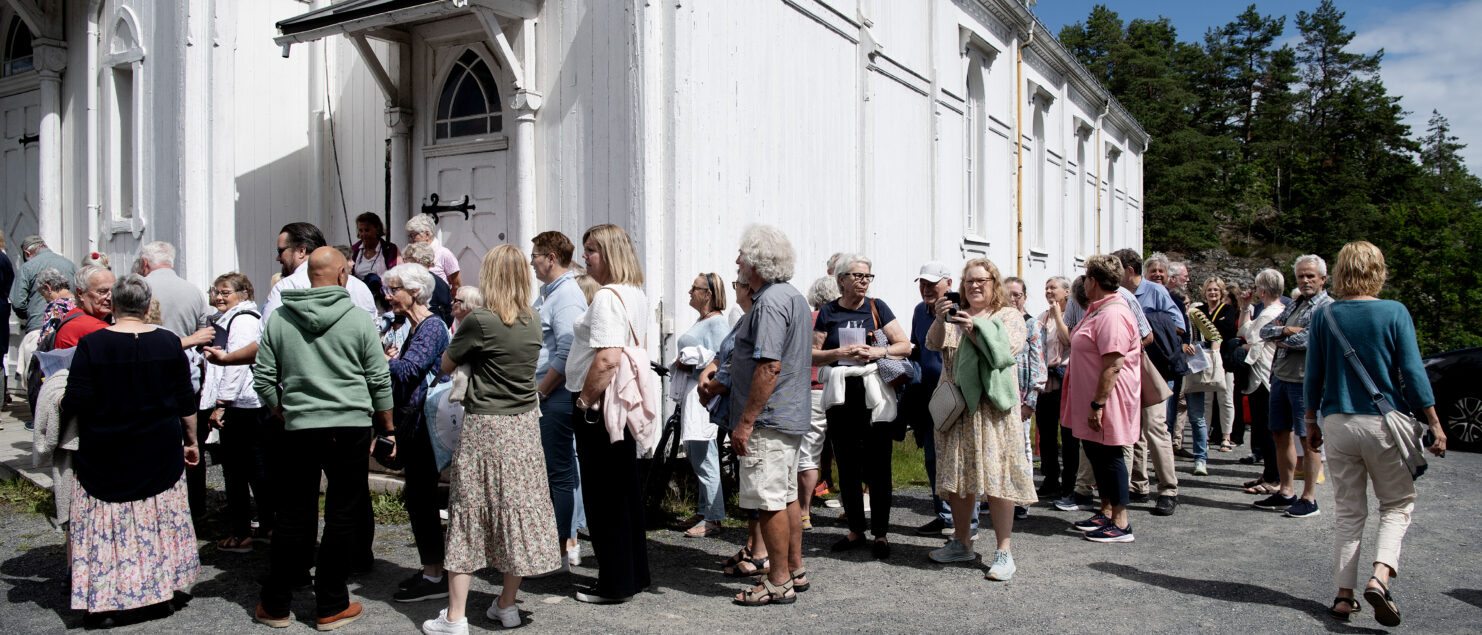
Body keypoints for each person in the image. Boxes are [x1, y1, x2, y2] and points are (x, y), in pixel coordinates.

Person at [1303, 241, 1446, 625]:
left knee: (1349, 512)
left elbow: (1313, 374)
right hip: (1382, 423)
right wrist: (1433, 422)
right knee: (1397, 504)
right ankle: (1380, 577)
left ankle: (1343, 596)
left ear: (1339, 272)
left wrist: (1311, 422)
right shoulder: (1394, 312)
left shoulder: (1325, 315)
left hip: (1337, 422)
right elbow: (1414, 374)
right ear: (1378, 271)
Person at [251, 247, 394, 630]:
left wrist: (282, 409)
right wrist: (388, 426)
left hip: (299, 427)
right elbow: (379, 378)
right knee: (342, 514)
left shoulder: (280, 318)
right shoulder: (357, 319)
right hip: (349, 425)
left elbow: (263, 377)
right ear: (343, 274)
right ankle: (331, 605)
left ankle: (276, 605)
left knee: (293, 514)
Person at [422, 245, 559, 633]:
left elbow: (448, 364)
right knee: (516, 510)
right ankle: (506, 604)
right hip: (524, 427)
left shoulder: (480, 320)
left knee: (469, 512)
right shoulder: (533, 319)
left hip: (486, 426)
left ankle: (455, 618)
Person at [62, 273, 200, 627]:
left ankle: (107, 599)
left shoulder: (93, 345)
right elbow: (185, 401)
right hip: (157, 447)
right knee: (153, 522)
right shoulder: (169, 343)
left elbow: (77, 399)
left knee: (109, 525)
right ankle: (156, 594)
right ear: (145, 303)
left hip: (105, 449)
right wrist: (192, 440)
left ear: (116, 303)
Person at [713, 224, 812, 605]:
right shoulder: (793, 297)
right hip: (788, 416)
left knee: (769, 501)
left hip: (769, 420)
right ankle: (793, 570)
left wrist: (746, 421)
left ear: (756, 262)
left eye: (741, 255)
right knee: (785, 497)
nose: (737, 261)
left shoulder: (769, 303)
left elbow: (769, 365)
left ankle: (778, 581)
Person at [926, 259, 1035, 579]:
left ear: (994, 283)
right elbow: (933, 344)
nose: (975, 286)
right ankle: (962, 542)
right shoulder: (956, 315)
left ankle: (1004, 551)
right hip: (958, 411)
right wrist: (940, 318)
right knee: (959, 481)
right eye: (969, 281)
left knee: (999, 480)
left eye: (982, 280)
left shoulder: (1008, 316)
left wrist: (974, 330)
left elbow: (1005, 352)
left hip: (993, 413)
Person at [567, 224, 653, 604]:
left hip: (602, 408)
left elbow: (607, 357)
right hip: (622, 407)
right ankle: (633, 575)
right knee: (624, 492)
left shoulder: (605, 297)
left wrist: (583, 403)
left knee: (604, 498)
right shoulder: (636, 294)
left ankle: (614, 583)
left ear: (611, 254)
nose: (585, 257)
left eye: (591, 250)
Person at [814, 253, 911, 559]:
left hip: (875, 396)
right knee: (847, 464)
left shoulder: (877, 307)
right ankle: (855, 529)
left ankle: (881, 533)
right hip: (842, 396)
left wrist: (875, 352)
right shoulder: (828, 312)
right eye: (857, 276)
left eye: (867, 277)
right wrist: (838, 353)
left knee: (879, 466)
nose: (863, 282)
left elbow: (904, 346)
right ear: (840, 279)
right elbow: (811, 354)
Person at [381, 263, 453, 604]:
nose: (388, 295)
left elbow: (409, 370)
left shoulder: (431, 327)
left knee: (421, 499)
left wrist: (384, 361)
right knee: (417, 498)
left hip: (425, 423)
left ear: (415, 291)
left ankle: (436, 575)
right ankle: (431, 570)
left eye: (395, 289)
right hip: (415, 421)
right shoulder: (413, 326)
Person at [1063, 255, 1143, 543]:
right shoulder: (1099, 309)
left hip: (1107, 399)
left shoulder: (1113, 313)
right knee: (1097, 453)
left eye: (1086, 277)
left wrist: (1098, 404)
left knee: (1110, 456)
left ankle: (1121, 523)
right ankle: (1106, 511)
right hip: (1091, 397)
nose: (1084, 282)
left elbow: (1113, 363)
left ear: (1093, 281)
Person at [1254, 254, 1334, 517]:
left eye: (1310, 276)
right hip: (1280, 377)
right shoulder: (1296, 304)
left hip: (1305, 382)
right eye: (1301, 276)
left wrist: (1284, 333)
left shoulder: (1326, 308)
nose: (1306, 280)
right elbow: (1264, 332)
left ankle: (1309, 498)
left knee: (1308, 439)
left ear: (1323, 278)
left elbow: (1308, 341)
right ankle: (1286, 491)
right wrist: (1288, 331)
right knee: (1280, 434)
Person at [200, 273, 272, 554]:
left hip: (242, 405)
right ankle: (263, 525)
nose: (218, 296)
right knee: (251, 469)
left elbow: (238, 363)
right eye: (215, 291)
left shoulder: (242, 319)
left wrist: (222, 402)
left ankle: (243, 532)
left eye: (225, 291)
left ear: (243, 293)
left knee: (239, 471)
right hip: (242, 404)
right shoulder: (232, 318)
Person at [530, 230, 588, 569]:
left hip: (553, 397)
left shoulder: (566, 296)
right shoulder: (550, 294)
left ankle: (564, 547)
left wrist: (542, 391)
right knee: (552, 472)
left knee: (559, 473)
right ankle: (558, 542)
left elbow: (568, 351)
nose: (532, 261)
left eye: (536, 255)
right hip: (547, 395)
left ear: (551, 258)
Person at [1111, 248, 1181, 517]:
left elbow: (1177, 325)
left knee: (1155, 427)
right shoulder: (1118, 293)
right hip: (1128, 371)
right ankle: (1139, 484)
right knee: (1133, 429)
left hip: (1153, 368)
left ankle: (1168, 490)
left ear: (1128, 270)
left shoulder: (1155, 291)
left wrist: (1141, 327)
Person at [908, 262, 972, 536]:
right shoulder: (919, 312)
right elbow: (916, 348)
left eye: (932, 284)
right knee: (933, 459)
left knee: (958, 459)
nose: (926, 289)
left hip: (957, 395)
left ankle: (968, 523)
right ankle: (944, 515)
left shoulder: (962, 309)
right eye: (922, 284)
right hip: (929, 396)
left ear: (948, 283)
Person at [675, 272, 731, 538]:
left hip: (702, 397)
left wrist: (693, 361)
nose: (689, 292)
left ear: (708, 294)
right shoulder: (703, 320)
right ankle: (704, 510)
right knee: (697, 454)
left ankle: (713, 517)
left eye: (694, 288)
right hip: (692, 394)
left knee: (705, 454)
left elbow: (722, 357)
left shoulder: (717, 322)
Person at [1238, 269, 1286, 494]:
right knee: (1261, 427)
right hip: (1263, 376)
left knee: (1267, 429)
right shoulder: (1267, 311)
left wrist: (1242, 355)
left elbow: (1250, 340)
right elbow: (1245, 329)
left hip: (1263, 377)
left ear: (1263, 290)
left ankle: (1274, 477)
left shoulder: (1270, 313)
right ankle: (1269, 473)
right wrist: (1246, 307)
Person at [799, 275, 840, 529]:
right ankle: (850, 508)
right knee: (844, 449)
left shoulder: (807, 321)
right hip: (838, 387)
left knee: (809, 451)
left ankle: (803, 512)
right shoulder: (838, 320)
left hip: (812, 388)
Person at [1003, 276, 1045, 520]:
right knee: (1002, 448)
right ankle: (1001, 496)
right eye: (1008, 294)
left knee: (1022, 448)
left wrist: (1031, 400)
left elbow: (1038, 363)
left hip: (1021, 396)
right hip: (1001, 395)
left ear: (1024, 297)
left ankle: (1023, 498)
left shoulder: (1032, 324)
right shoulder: (1001, 322)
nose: (1012, 299)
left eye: (1016, 294)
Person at [1035, 277, 1075, 499]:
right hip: (1046, 379)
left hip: (1065, 377)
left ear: (1067, 292)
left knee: (1068, 434)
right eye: (1046, 287)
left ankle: (1070, 482)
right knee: (1047, 433)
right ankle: (1051, 479)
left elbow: (1067, 340)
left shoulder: (1071, 315)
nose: (1049, 291)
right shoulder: (1042, 317)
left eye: (1053, 287)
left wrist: (1058, 315)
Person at [1192, 277, 1238, 453]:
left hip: (1224, 360)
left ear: (1221, 292)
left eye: (1216, 290)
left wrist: (1211, 327)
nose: (1213, 293)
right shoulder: (1200, 310)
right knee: (1207, 400)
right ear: (1205, 292)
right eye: (1210, 290)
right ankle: (1207, 436)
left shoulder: (1228, 309)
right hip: (1204, 359)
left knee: (1226, 399)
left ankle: (1226, 436)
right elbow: (1197, 330)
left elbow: (1227, 330)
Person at [137, 242, 211, 341]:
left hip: (145, 352)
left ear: (144, 262)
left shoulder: (137, 287)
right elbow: (205, 332)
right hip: (184, 354)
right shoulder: (194, 291)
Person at [9, 235, 77, 334]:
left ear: (27, 253)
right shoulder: (70, 264)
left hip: (38, 326)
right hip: (68, 324)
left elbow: (18, 303)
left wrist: (29, 314)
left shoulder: (27, 268)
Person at [55, 265, 116, 350]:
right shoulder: (89, 326)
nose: (110, 297)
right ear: (80, 293)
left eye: (114, 291)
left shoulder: (74, 315)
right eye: (102, 292)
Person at [402, 242, 454, 327]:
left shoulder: (414, 282)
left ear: (416, 259)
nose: (404, 262)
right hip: (437, 328)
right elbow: (449, 312)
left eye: (407, 258)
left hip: (423, 328)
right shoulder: (441, 282)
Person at [405, 214, 462, 288]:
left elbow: (457, 285)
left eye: (413, 235)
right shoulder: (411, 254)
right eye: (409, 236)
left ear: (427, 234)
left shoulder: (443, 254)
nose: (410, 239)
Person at [350, 211, 400, 283]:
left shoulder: (389, 250)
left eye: (367, 230)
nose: (363, 234)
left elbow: (396, 274)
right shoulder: (355, 250)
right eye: (360, 231)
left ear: (377, 229)